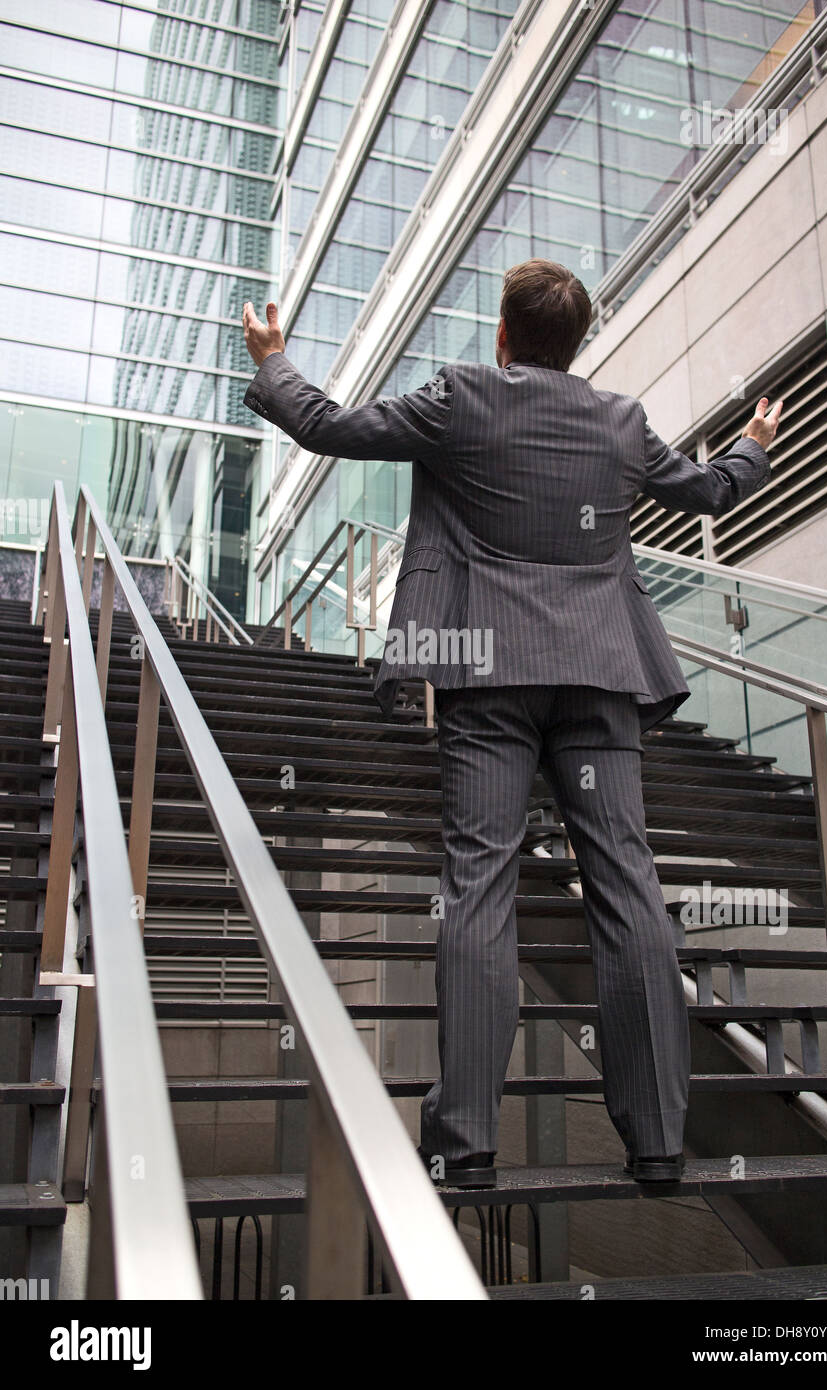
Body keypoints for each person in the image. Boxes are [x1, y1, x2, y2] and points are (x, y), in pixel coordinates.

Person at [241, 259, 783, 1189]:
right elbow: (702, 491)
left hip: (487, 677)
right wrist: (753, 445)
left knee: (480, 887)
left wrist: (274, 356)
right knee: (628, 886)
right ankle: (657, 1141)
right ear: (579, 345)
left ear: (501, 335)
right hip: (600, 676)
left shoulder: (462, 400)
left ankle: (466, 1142)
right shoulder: (618, 421)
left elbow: (329, 426)